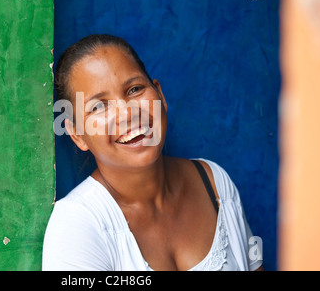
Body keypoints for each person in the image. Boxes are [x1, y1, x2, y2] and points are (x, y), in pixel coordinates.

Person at [42, 34, 263, 271]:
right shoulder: (78, 225)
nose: (127, 114)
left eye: (135, 89)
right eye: (98, 106)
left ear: (160, 95)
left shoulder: (215, 184)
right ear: (76, 134)